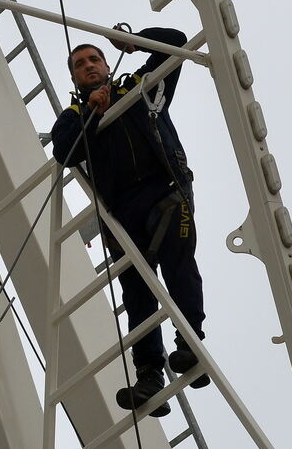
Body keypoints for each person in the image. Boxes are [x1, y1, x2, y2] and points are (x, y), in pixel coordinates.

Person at [50, 27, 209, 418]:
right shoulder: (75, 115)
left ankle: (190, 345)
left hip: (164, 193)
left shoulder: (141, 88)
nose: (88, 67)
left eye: (93, 60)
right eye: (79, 65)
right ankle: (149, 374)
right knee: (137, 291)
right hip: (122, 211)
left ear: (106, 65)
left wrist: (136, 40)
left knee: (179, 266)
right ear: (74, 79)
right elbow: (64, 151)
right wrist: (91, 109)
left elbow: (175, 42)